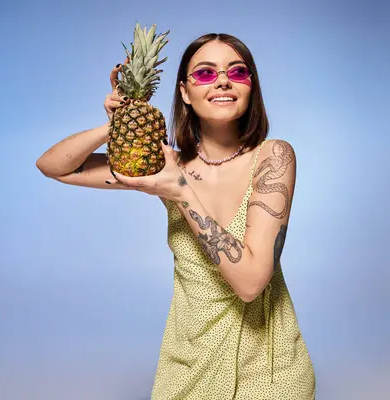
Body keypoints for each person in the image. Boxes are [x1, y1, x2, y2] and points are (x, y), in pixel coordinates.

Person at [36, 33, 316, 400]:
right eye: (204, 73)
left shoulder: (273, 158)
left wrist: (181, 191)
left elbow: (250, 284)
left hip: (268, 369)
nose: (222, 81)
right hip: (188, 365)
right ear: (184, 92)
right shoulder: (165, 164)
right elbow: (55, 166)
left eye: (238, 71)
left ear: (251, 86)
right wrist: (117, 123)